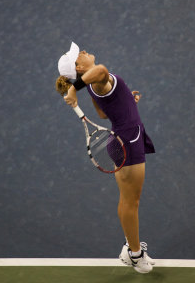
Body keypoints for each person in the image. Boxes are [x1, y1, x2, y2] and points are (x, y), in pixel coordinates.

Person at [56, 42, 156, 274]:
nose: (82, 51)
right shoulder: (95, 78)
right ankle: (134, 254)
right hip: (127, 142)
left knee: (129, 200)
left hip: (128, 136)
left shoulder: (93, 85)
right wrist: (73, 90)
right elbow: (100, 69)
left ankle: (129, 246)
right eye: (78, 55)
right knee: (131, 202)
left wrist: (126, 101)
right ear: (79, 68)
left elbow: (103, 112)